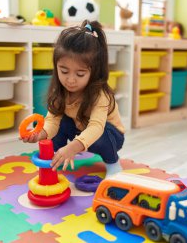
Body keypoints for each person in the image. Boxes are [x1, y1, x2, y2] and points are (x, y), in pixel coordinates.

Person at [22, 20, 125, 178]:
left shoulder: (101, 95)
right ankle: (56, 157)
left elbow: (96, 128)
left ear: (94, 72)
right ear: (56, 67)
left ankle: (113, 163)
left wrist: (73, 147)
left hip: (110, 137)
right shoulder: (60, 91)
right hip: (81, 131)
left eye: (80, 74)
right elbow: (52, 121)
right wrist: (40, 134)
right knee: (61, 121)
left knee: (101, 130)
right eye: (64, 71)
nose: (70, 80)